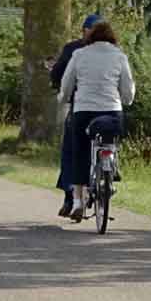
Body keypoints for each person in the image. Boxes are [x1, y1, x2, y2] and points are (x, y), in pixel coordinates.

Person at [57, 19, 135, 222]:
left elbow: (67, 84)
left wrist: (63, 98)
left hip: (84, 110)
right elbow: (128, 90)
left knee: (80, 151)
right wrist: (125, 100)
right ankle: (112, 168)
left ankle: (77, 202)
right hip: (111, 111)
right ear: (112, 38)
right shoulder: (120, 56)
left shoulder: (79, 55)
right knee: (111, 139)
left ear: (89, 38)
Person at [49, 14, 102, 218]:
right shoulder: (115, 52)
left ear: (84, 30)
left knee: (71, 150)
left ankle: (71, 196)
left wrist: (60, 89)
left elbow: (59, 76)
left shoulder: (74, 50)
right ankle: (109, 175)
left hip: (80, 107)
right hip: (108, 108)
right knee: (109, 139)